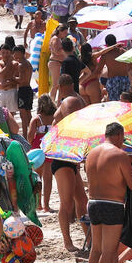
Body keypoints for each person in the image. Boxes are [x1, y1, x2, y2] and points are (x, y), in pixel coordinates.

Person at [85, 123, 132, 263]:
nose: (123, 143)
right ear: (118, 135)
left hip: (93, 203)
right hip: (112, 205)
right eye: (123, 139)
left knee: (96, 249)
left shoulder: (91, 154)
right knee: (109, 250)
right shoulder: (120, 155)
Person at [51, 75, 88, 252]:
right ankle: (67, 241)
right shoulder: (70, 103)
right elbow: (71, 127)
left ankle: (88, 237)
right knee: (66, 203)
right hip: (62, 157)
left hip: (69, 157)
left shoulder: (69, 102)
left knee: (82, 200)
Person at [28, 95, 56, 212]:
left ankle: (38, 204)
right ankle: (47, 205)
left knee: (37, 178)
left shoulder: (36, 119)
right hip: (49, 147)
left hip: (38, 149)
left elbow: (30, 137)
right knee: (48, 178)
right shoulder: (55, 117)